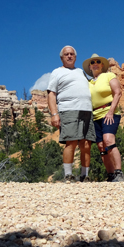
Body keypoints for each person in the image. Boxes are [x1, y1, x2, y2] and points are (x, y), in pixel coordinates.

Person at [47, 46, 96, 182]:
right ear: (62, 57)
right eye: (66, 54)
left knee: (86, 144)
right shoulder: (57, 72)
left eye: (72, 54)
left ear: (75, 56)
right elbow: (51, 94)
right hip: (69, 109)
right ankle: (68, 175)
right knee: (71, 142)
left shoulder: (80, 72)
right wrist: (54, 114)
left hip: (87, 110)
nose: (69, 56)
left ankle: (84, 176)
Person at [82, 53, 124, 182]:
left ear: (102, 65)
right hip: (94, 116)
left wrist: (111, 112)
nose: (95, 64)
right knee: (101, 146)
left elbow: (118, 92)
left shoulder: (108, 75)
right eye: (92, 62)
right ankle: (111, 175)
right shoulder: (88, 82)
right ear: (89, 66)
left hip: (108, 112)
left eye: (98, 62)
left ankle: (119, 173)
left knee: (108, 140)